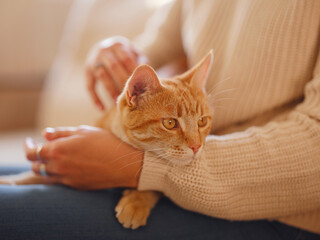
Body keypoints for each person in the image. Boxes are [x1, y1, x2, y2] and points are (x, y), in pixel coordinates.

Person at [1, 0, 320, 239]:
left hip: (278, 213)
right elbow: (153, 48)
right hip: (168, 172)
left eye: (201, 126)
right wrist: (112, 54)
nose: (197, 144)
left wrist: (141, 166)